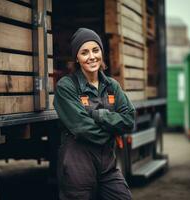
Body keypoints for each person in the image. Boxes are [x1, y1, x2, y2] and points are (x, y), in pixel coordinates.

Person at [53, 28, 136, 200]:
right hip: (78, 168)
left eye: (95, 50)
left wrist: (99, 116)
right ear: (77, 57)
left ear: (101, 52)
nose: (91, 57)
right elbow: (82, 128)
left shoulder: (112, 86)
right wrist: (113, 129)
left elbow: (129, 120)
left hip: (107, 167)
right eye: (84, 52)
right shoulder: (66, 87)